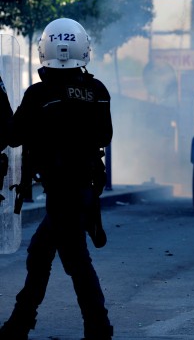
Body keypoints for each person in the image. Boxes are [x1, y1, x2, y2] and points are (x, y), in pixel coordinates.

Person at [0, 18, 113, 339]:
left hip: (61, 192)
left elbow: (13, 136)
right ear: (83, 49)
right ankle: (20, 324)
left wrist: (3, 99)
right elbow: (105, 135)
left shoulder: (38, 94)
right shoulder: (97, 90)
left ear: (44, 51)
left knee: (75, 261)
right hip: (84, 189)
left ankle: (98, 328)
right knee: (40, 253)